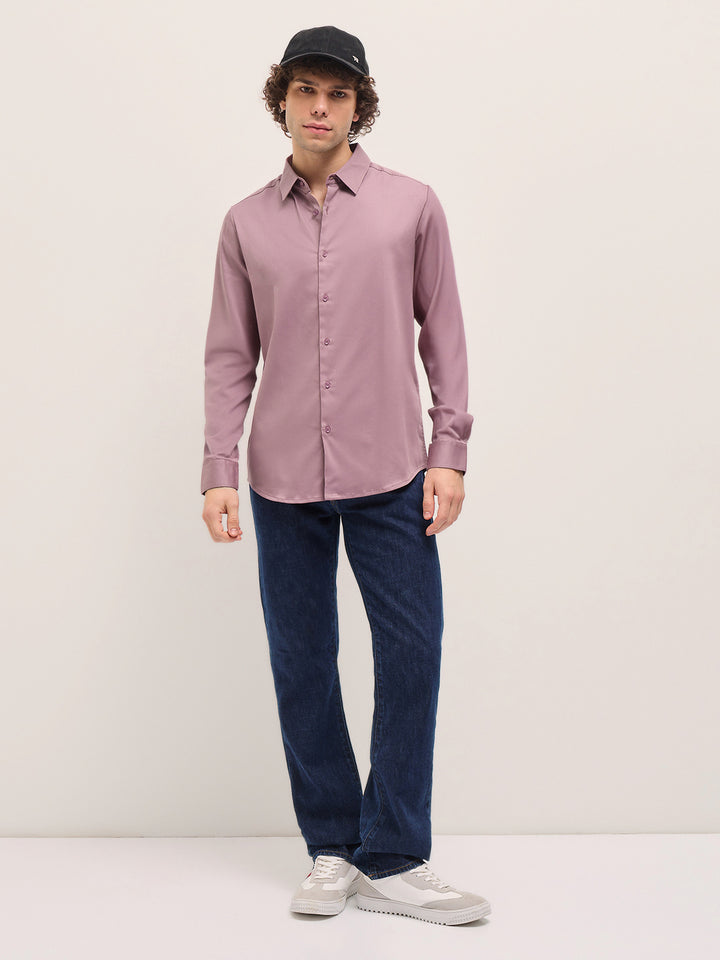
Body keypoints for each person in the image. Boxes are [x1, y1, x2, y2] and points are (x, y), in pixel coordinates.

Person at [200, 25, 491, 926]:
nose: (320, 108)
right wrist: (217, 467)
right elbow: (229, 354)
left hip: (393, 472)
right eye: (305, 91)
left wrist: (449, 452)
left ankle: (394, 856)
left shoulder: (412, 207)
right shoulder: (246, 224)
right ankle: (332, 847)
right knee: (302, 662)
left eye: (337, 93)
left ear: (359, 106)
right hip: (281, 476)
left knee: (411, 653)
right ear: (281, 100)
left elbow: (445, 334)